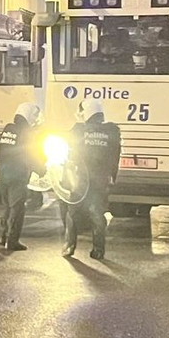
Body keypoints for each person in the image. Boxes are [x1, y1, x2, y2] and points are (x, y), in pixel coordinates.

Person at [62, 100, 122, 260]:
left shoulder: (79, 130)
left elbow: (71, 155)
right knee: (97, 215)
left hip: (81, 180)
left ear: (86, 112)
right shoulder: (112, 131)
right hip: (101, 180)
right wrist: (112, 177)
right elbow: (115, 157)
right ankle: (98, 250)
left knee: (73, 213)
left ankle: (69, 246)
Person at [0, 102, 45, 252]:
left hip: (3, 174)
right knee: (17, 209)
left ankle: (4, 237)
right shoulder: (27, 133)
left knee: (6, 207)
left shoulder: (8, 129)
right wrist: (41, 170)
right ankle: (12, 241)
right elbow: (32, 155)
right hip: (17, 175)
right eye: (34, 116)